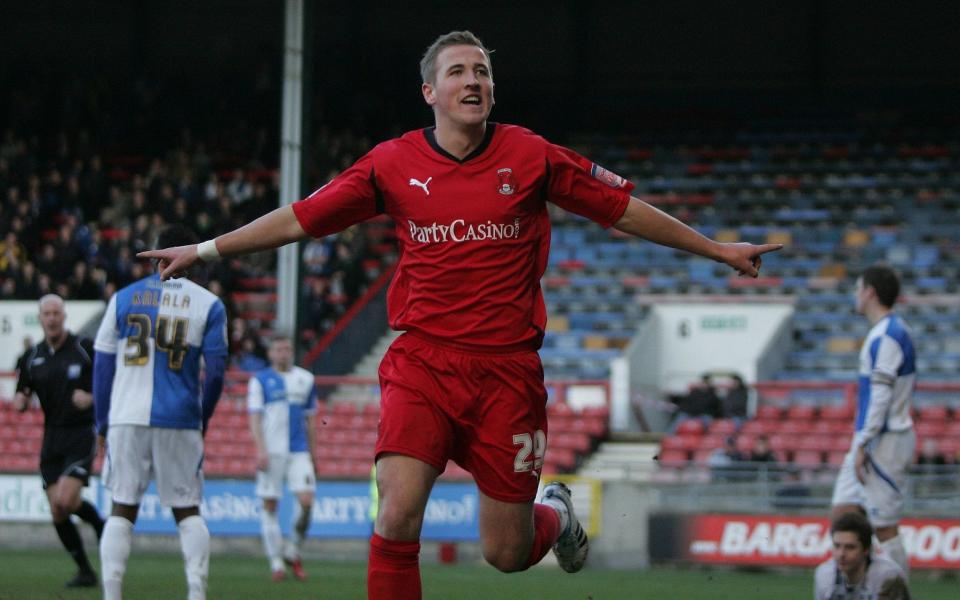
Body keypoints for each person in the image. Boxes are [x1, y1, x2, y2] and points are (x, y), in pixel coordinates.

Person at [138, 31, 782, 600]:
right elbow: (303, 217)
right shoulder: (390, 164)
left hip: (507, 374)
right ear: (430, 92)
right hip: (422, 361)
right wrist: (205, 249)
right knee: (395, 515)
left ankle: (552, 515)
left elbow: (622, 211)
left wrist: (717, 249)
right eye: (458, 71)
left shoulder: (531, 156)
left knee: (506, 554)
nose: (473, 80)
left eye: (482, 72)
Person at [93, 225, 228, 600]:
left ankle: (112, 594)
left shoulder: (122, 299)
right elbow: (216, 372)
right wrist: (203, 417)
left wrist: (102, 423)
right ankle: (196, 593)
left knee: (122, 506)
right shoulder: (209, 304)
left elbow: (102, 370)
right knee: (188, 509)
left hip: (125, 416)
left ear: (155, 254)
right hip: (181, 418)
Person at [830, 265, 916, 578]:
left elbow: (880, 397)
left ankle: (897, 593)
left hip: (885, 440)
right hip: (870, 438)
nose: (855, 295)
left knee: (884, 526)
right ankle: (854, 587)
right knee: (842, 513)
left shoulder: (888, 335)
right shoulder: (885, 332)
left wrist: (864, 442)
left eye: (858, 288)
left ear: (869, 292)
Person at [14, 294, 105, 588]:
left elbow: (107, 384)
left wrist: (91, 398)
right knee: (58, 509)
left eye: (56, 313)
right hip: (51, 436)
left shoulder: (84, 348)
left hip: (80, 434)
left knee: (65, 500)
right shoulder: (32, 356)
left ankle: (101, 526)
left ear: (64, 316)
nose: (51, 318)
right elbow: (22, 392)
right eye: (46, 314)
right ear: (40, 318)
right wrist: (20, 400)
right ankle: (85, 571)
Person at [247, 334, 319, 582]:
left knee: (307, 502)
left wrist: (314, 453)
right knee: (270, 505)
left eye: (287, 349)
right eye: (278, 349)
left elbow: (311, 421)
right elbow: (255, 418)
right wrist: (260, 449)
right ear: (270, 353)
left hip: (299, 450)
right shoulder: (260, 381)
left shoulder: (306, 379)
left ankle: (292, 550)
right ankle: (277, 563)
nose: (284, 353)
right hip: (272, 450)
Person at [814, 512, 909, 600]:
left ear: (866, 550)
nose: (841, 554)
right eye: (837, 546)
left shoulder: (887, 576)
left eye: (850, 547)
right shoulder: (825, 575)